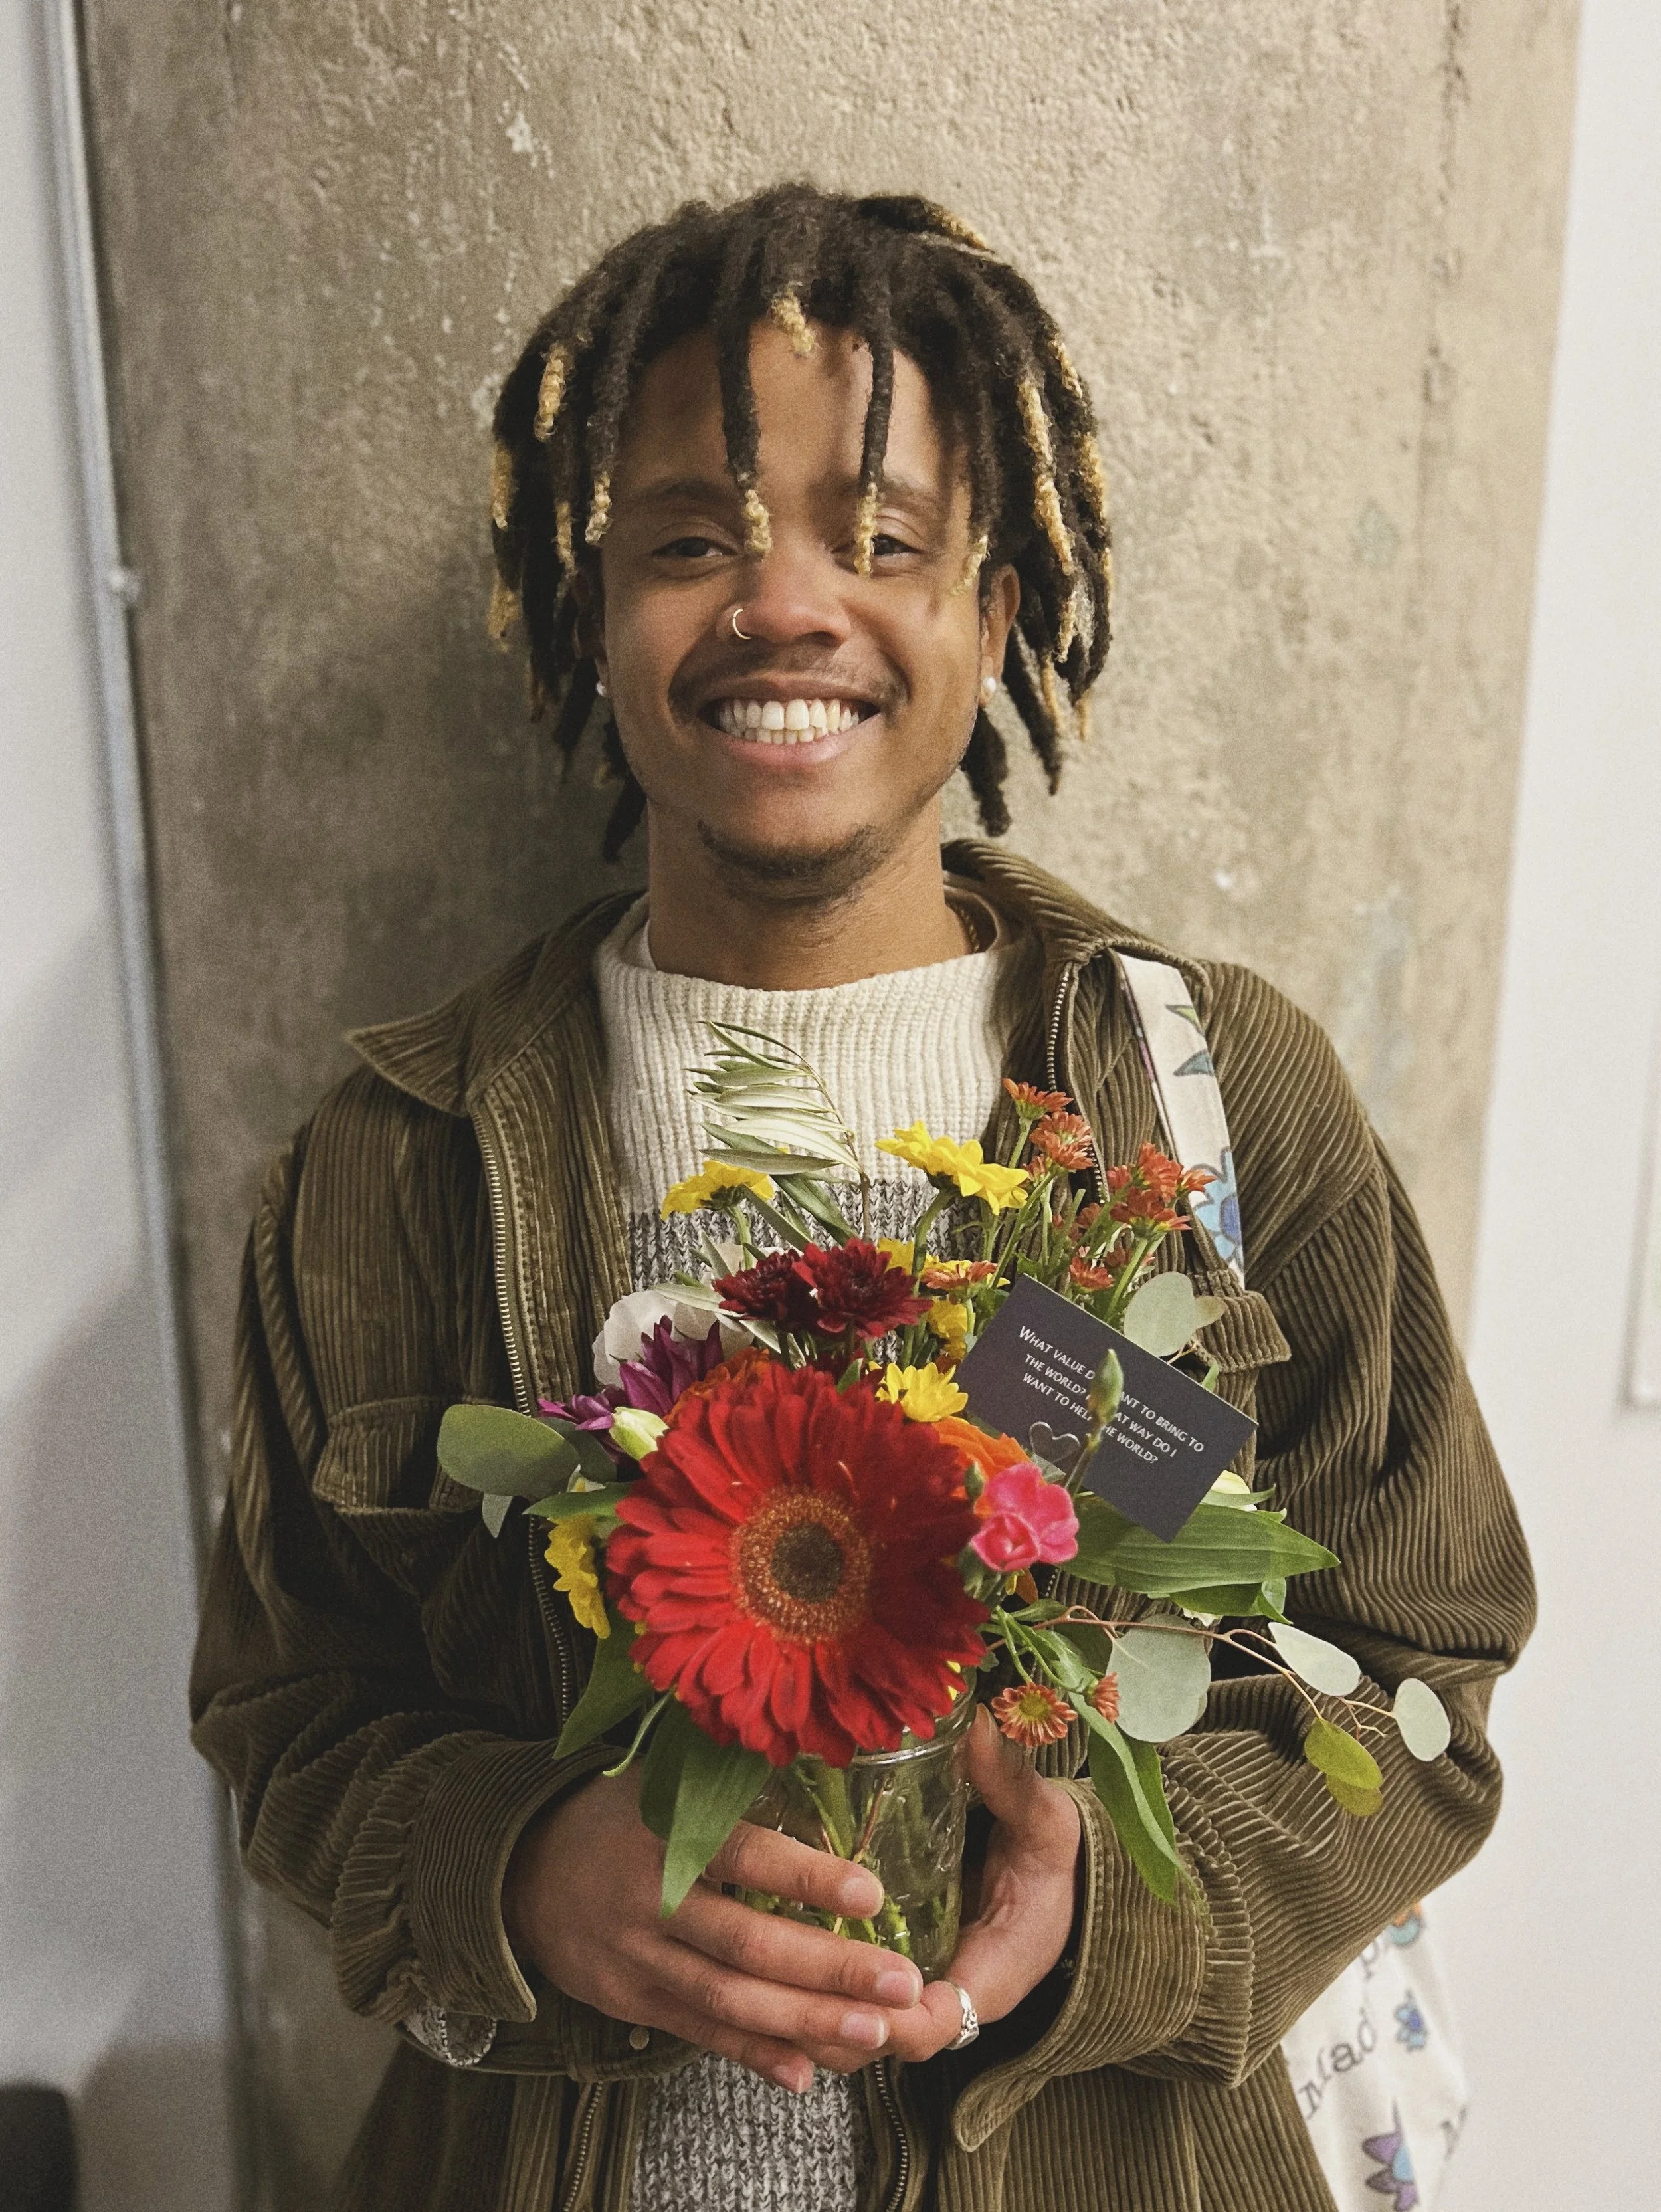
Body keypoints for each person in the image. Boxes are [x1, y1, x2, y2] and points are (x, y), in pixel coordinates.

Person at [190, 186, 1533, 2212]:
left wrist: (1115, 1891)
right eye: (685, 540)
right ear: (590, 614)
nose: (783, 602)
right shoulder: (389, 1166)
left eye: (879, 536)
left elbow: (1418, 1668)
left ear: (995, 615)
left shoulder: (1211, 1098)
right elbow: (290, 1717)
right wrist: (520, 1876)